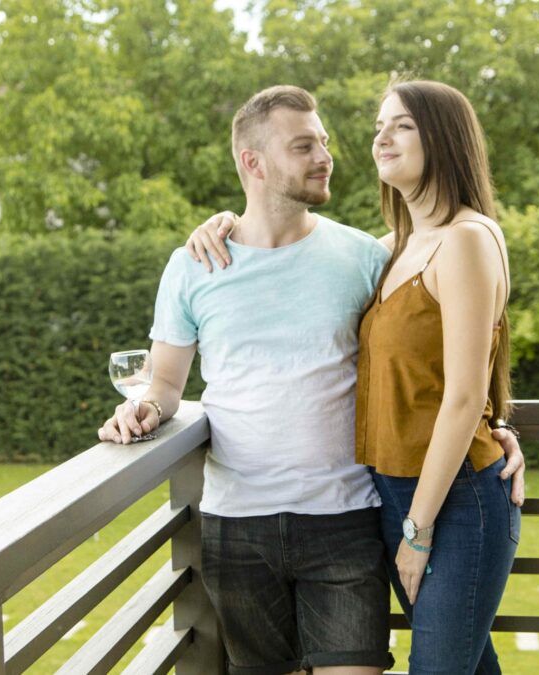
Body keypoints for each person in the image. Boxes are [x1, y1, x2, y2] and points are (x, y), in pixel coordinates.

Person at [185, 80, 521, 674]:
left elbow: (466, 392)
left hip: (455, 502)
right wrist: (221, 225)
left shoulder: (467, 239)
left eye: (402, 126)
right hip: (391, 496)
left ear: (444, 139)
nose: (380, 138)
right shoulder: (393, 247)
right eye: (378, 127)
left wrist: (419, 530)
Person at [99, 85, 398, 675]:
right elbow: (164, 382)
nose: (325, 156)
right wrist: (145, 410)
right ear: (252, 162)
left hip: (345, 519)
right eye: (303, 144)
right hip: (237, 523)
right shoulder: (195, 264)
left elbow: (431, 355)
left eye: (325, 142)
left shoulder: (364, 258)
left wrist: (495, 422)